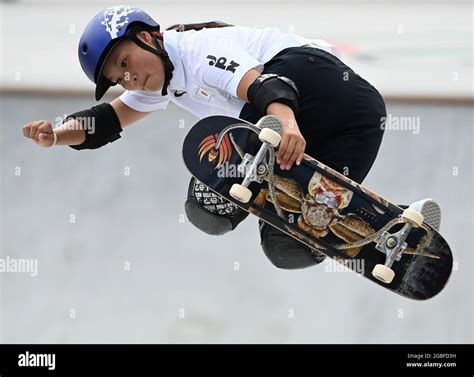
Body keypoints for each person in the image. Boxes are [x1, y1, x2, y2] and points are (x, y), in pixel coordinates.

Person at [22, 5, 440, 270]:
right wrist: (57, 135)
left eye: (127, 62)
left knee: (215, 176)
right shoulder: (155, 85)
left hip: (321, 86)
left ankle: (263, 153)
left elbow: (260, 85)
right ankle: (394, 227)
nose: (131, 79)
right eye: (120, 77)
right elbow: (107, 121)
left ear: (148, 36)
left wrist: (284, 121)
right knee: (283, 245)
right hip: (359, 123)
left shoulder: (197, 49)